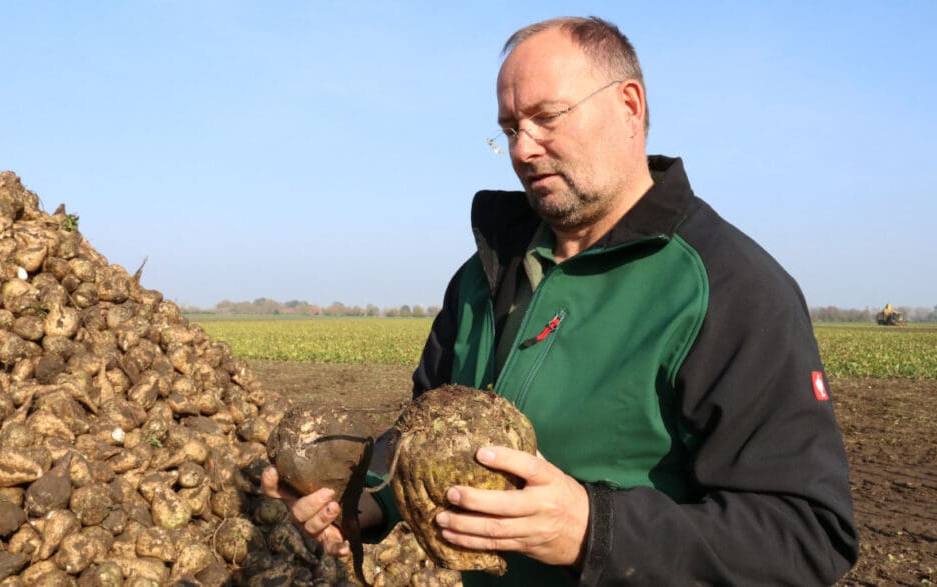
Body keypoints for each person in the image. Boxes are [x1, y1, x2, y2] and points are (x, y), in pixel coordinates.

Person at [263, 16, 859, 585]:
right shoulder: (480, 278)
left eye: (547, 118)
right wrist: (361, 505)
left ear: (629, 106)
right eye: (509, 129)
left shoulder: (729, 288)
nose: (524, 149)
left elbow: (806, 535)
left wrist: (591, 531)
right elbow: (420, 435)